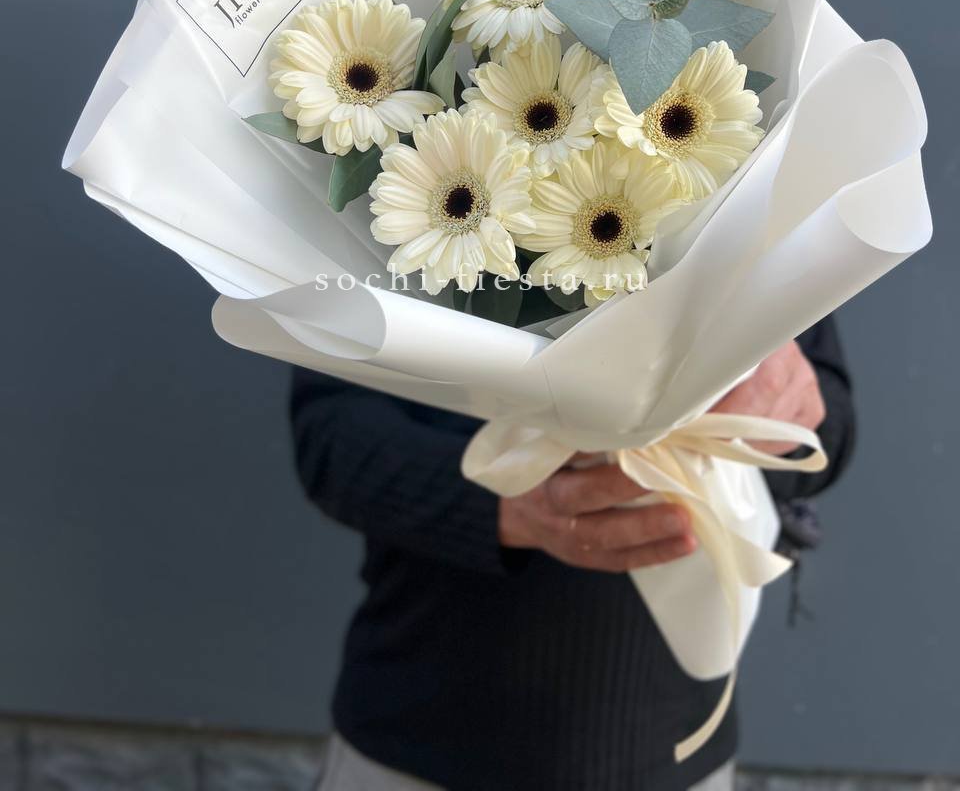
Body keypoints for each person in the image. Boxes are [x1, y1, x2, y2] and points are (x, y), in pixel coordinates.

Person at [290, 319, 853, 791]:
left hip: (673, 747)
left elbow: (833, 422)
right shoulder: (393, 216)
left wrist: (784, 407)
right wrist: (505, 501)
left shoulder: (748, 212)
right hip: (417, 739)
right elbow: (330, 436)